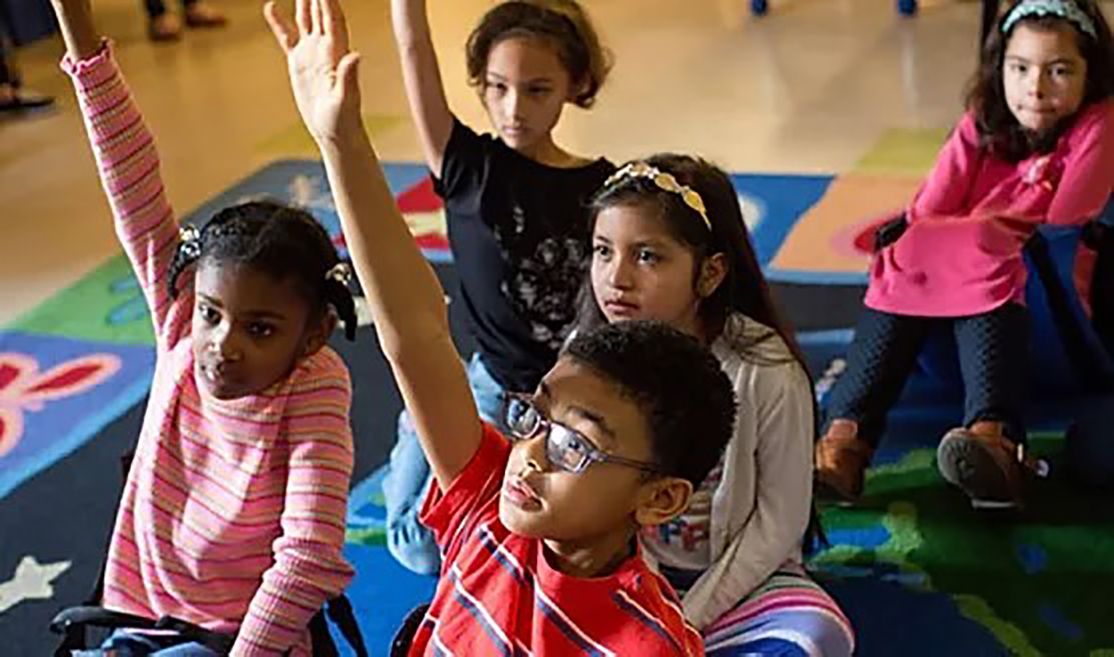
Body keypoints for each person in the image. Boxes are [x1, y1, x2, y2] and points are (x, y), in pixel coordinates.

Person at [263, 0, 734, 651]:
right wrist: (340, 140)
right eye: (535, 419)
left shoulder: (652, 643)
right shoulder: (489, 502)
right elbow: (416, 332)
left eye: (575, 444)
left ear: (659, 498)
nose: (532, 452)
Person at [50, 0, 359, 651]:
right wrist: (78, 30)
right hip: (135, 617)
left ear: (313, 335)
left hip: (238, 639)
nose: (222, 343)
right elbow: (131, 179)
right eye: (215, 314)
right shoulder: (181, 318)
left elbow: (308, 553)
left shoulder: (315, 385)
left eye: (262, 328)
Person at [816, 0, 1114, 509]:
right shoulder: (983, 122)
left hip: (1057, 332)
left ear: (1093, 74)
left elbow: (1067, 217)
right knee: (911, 243)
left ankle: (995, 437)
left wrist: (976, 237)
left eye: (1059, 70)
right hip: (951, 345)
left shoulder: (1099, 125)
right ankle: (843, 444)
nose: (1036, 88)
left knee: (976, 244)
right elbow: (925, 210)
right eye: (1019, 69)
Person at [581, 155, 856, 655]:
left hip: (740, 584)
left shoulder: (767, 371)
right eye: (603, 251)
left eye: (647, 256)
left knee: (816, 636)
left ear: (709, 273)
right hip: (625, 576)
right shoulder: (586, 364)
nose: (616, 278)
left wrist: (685, 620)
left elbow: (778, 523)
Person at [382, 0, 618, 575]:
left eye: (537, 90)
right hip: (487, 386)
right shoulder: (465, 164)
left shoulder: (604, 187)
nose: (513, 109)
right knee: (412, 538)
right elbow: (414, 52)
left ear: (575, 84)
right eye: (497, 87)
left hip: (570, 394)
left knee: (582, 533)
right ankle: (419, 421)